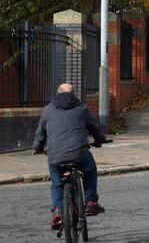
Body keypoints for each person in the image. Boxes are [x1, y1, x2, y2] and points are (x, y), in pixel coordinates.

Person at [32, 83, 107, 230]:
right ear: (74, 95)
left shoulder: (48, 110)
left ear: (57, 94)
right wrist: (100, 140)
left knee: (57, 183)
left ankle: (58, 210)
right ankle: (91, 201)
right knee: (90, 168)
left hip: (55, 156)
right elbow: (95, 128)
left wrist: (37, 148)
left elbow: (40, 134)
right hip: (79, 154)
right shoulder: (82, 109)